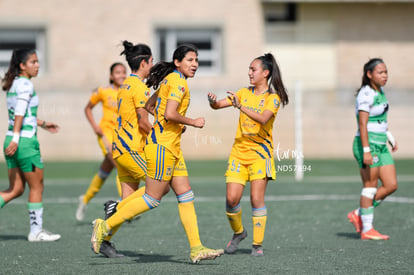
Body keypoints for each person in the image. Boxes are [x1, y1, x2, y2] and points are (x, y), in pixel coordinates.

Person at [91, 44, 224, 263]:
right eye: (190, 60)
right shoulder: (178, 83)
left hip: (171, 148)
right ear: (178, 62)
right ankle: (105, 225)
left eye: (197, 60)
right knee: (153, 198)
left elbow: (152, 107)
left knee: (186, 195)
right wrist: (192, 121)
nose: (195, 64)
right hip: (161, 147)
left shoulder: (167, 80)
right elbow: (169, 112)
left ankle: (196, 248)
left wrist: (167, 121)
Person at [207, 53, 288, 256]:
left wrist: (240, 106)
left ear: (266, 73)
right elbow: (218, 106)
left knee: (255, 198)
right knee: (231, 199)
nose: (250, 73)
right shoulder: (243, 92)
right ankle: (239, 232)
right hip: (238, 153)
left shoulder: (273, 98)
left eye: (254, 69)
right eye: (249, 69)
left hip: (261, 155)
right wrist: (213, 102)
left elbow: (262, 118)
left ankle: (257, 245)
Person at [95, 41, 153, 258]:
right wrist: (160, 135)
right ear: (144, 62)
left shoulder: (127, 84)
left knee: (129, 206)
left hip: (120, 150)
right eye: (152, 62)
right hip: (131, 149)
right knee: (157, 187)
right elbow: (143, 122)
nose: (153, 66)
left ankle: (104, 241)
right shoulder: (137, 86)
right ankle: (113, 206)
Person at [0, 49, 61, 242]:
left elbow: (24, 113)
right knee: (37, 186)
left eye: (38, 61)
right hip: (23, 142)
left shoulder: (14, 83)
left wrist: (43, 124)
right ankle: (36, 232)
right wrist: (18, 139)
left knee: (16, 189)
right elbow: (19, 112)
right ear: (22, 66)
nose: (38, 65)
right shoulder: (25, 84)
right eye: (33, 62)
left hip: (11, 139)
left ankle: (37, 231)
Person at [347, 58, 398, 240]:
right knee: (370, 186)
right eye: (380, 72)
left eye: (386, 72)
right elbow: (362, 123)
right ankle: (367, 229)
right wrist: (367, 150)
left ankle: (359, 213)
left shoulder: (380, 91)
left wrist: (390, 137)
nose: (384, 76)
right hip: (367, 144)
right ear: (369, 74)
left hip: (381, 144)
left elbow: (381, 119)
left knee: (391, 185)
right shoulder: (366, 94)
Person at [76, 62, 127, 222]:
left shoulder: (127, 91)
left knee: (105, 171)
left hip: (121, 135)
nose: (121, 75)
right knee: (120, 164)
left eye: (124, 72)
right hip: (105, 133)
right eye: (118, 72)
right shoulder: (103, 91)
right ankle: (125, 203)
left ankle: (84, 199)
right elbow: (87, 108)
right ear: (111, 76)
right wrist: (95, 126)